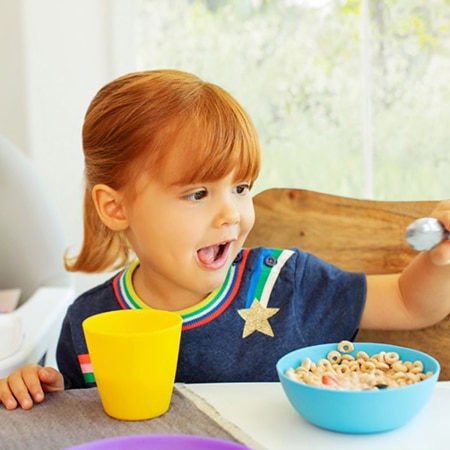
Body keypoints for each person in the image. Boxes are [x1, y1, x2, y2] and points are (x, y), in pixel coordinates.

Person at [1, 69, 450, 410]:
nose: (231, 213)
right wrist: (41, 392)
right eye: (197, 193)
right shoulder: (90, 322)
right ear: (116, 208)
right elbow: (85, 423)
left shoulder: (285, 283)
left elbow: (411, 303)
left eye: (241, 188)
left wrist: (439, 261)